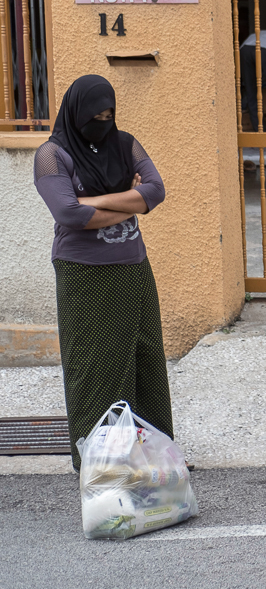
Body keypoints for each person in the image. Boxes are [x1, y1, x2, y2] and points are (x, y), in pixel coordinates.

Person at [32, 75, 172, 473]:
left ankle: (155, 457)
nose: (104, 121)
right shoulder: (51, 155)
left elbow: (156, 190)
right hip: (83, 275)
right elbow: (68, 214)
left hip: (133, 270)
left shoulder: (125, 143)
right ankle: (102, 463)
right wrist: (133, 203)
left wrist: (96, 202)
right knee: (95, 366)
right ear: (75, 113)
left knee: (144, 360)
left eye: (110, 114)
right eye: (95, 115)